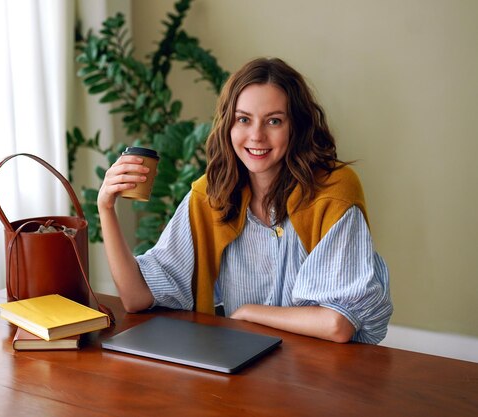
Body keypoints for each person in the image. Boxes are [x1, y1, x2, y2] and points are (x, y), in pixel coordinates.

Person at [97, 57, 392, 344]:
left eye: (273, 121)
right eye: (243, 120)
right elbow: (136, 298)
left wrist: (250, 313)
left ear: (296, 127)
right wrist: (106, 208)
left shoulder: (334, 191)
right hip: (244, 366)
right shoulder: (210, 196)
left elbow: (336, 323)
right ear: (229, 125)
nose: (256, 136)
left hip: (324, 373)